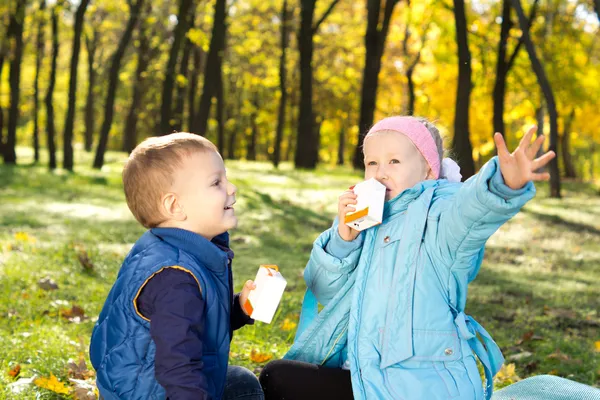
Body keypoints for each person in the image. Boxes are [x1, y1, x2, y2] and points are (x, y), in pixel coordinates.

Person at [260, 116, 555, 400]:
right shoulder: (365, 223)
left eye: (394, 161)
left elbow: (471, 213)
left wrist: (503, 183)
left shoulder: (440, 216)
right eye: (371, 163)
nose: (380, 173)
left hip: (423, 387)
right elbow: (323, 290)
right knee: (277, 378)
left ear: (428, 170)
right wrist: (343, 239)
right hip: (366, 380)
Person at [90, 132, 264, 400]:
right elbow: (178, 368)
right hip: (159, 393)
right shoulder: (175, 278)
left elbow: (194, 324)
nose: (231, 188)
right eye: (216, 182)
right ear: (174, 205)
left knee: (242, 383)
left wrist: (240, 308)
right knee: (242, 388)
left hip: (150, 387)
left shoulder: (175, 250)